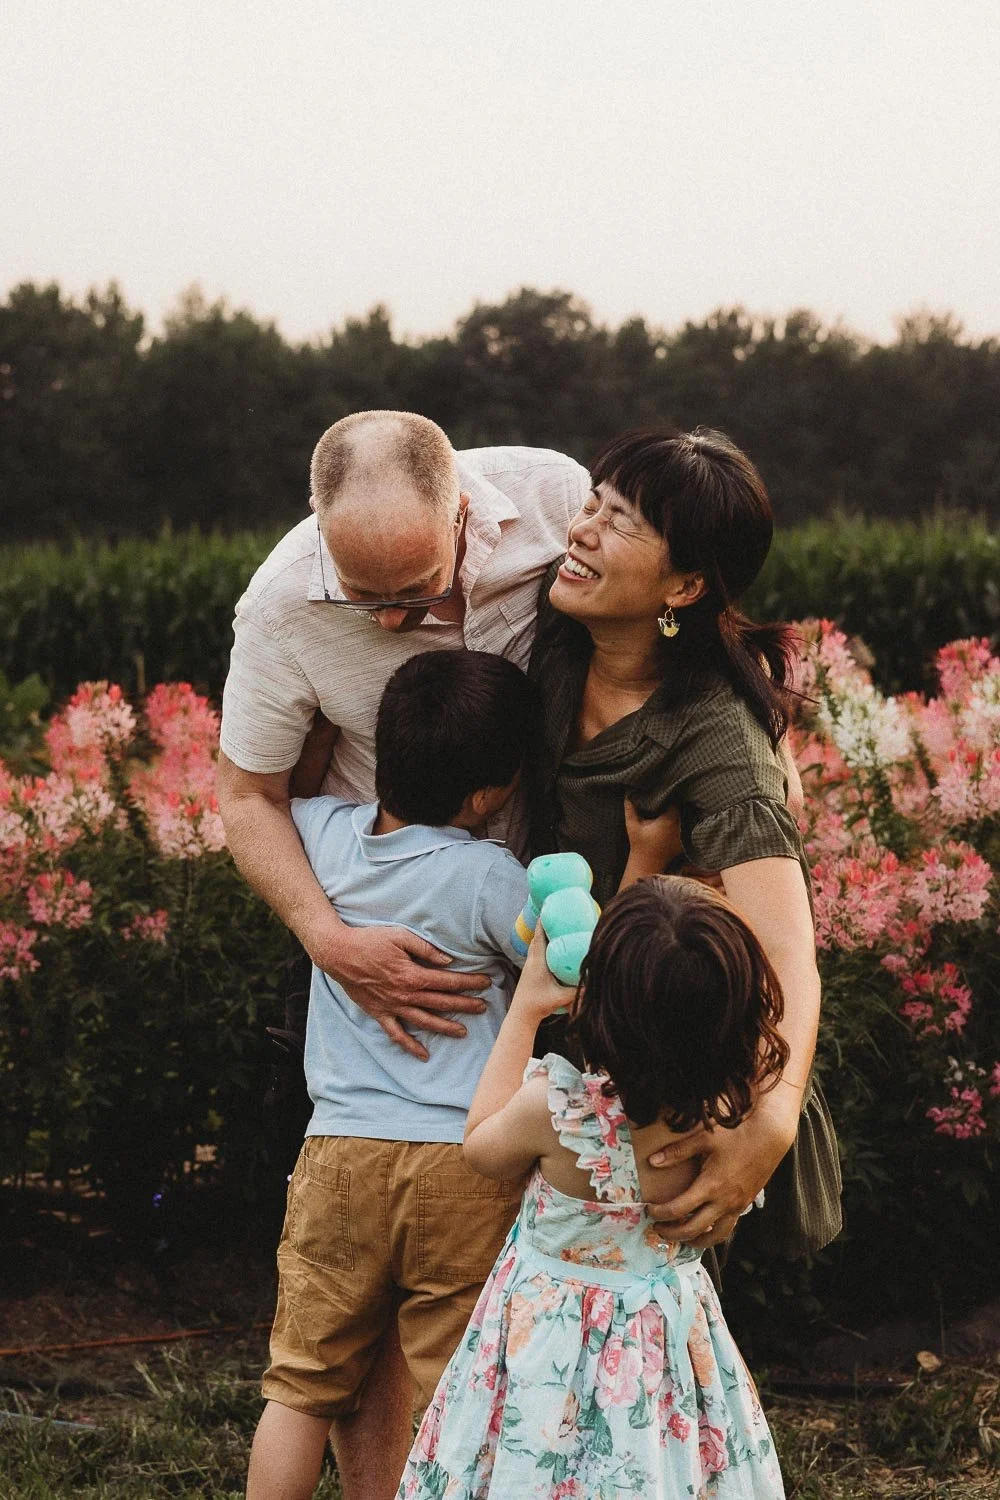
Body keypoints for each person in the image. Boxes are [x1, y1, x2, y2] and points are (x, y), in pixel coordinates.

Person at [220, 412, 588, 1497]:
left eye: (420, 587)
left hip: (345, 1135)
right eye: (369, 598)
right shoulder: (283, 606)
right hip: (430, 1064)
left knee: (303, 1370)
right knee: (449, 1360)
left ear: (464, 511)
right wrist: (328, 940)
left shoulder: (560, 504)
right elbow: (247, 794)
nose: (398, 617)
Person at [528, 426, 840, 1260]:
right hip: (549, 1052)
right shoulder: (558, 637)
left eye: (622, 521)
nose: (583, 528)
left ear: (687, 584)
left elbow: (788, 953)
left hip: (659, 1079)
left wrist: (768, 1130)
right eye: (592, 503)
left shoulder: (716, 739)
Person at [245, 650, 535, 1500]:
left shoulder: (325, 837)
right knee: (463, 1385)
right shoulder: (491, 878)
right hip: (462, 1166)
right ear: (489, 794)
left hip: (336, 1154)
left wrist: (325, 720)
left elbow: (282, 801)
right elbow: (566, 967)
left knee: (300, 1388)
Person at [398, 876, 790, 1499]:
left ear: (597, 998)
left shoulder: (559, 1112)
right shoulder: (727, 1121)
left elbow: (480, 1147)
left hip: (548, 1355)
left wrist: (527, 1004)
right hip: (666, 1342)